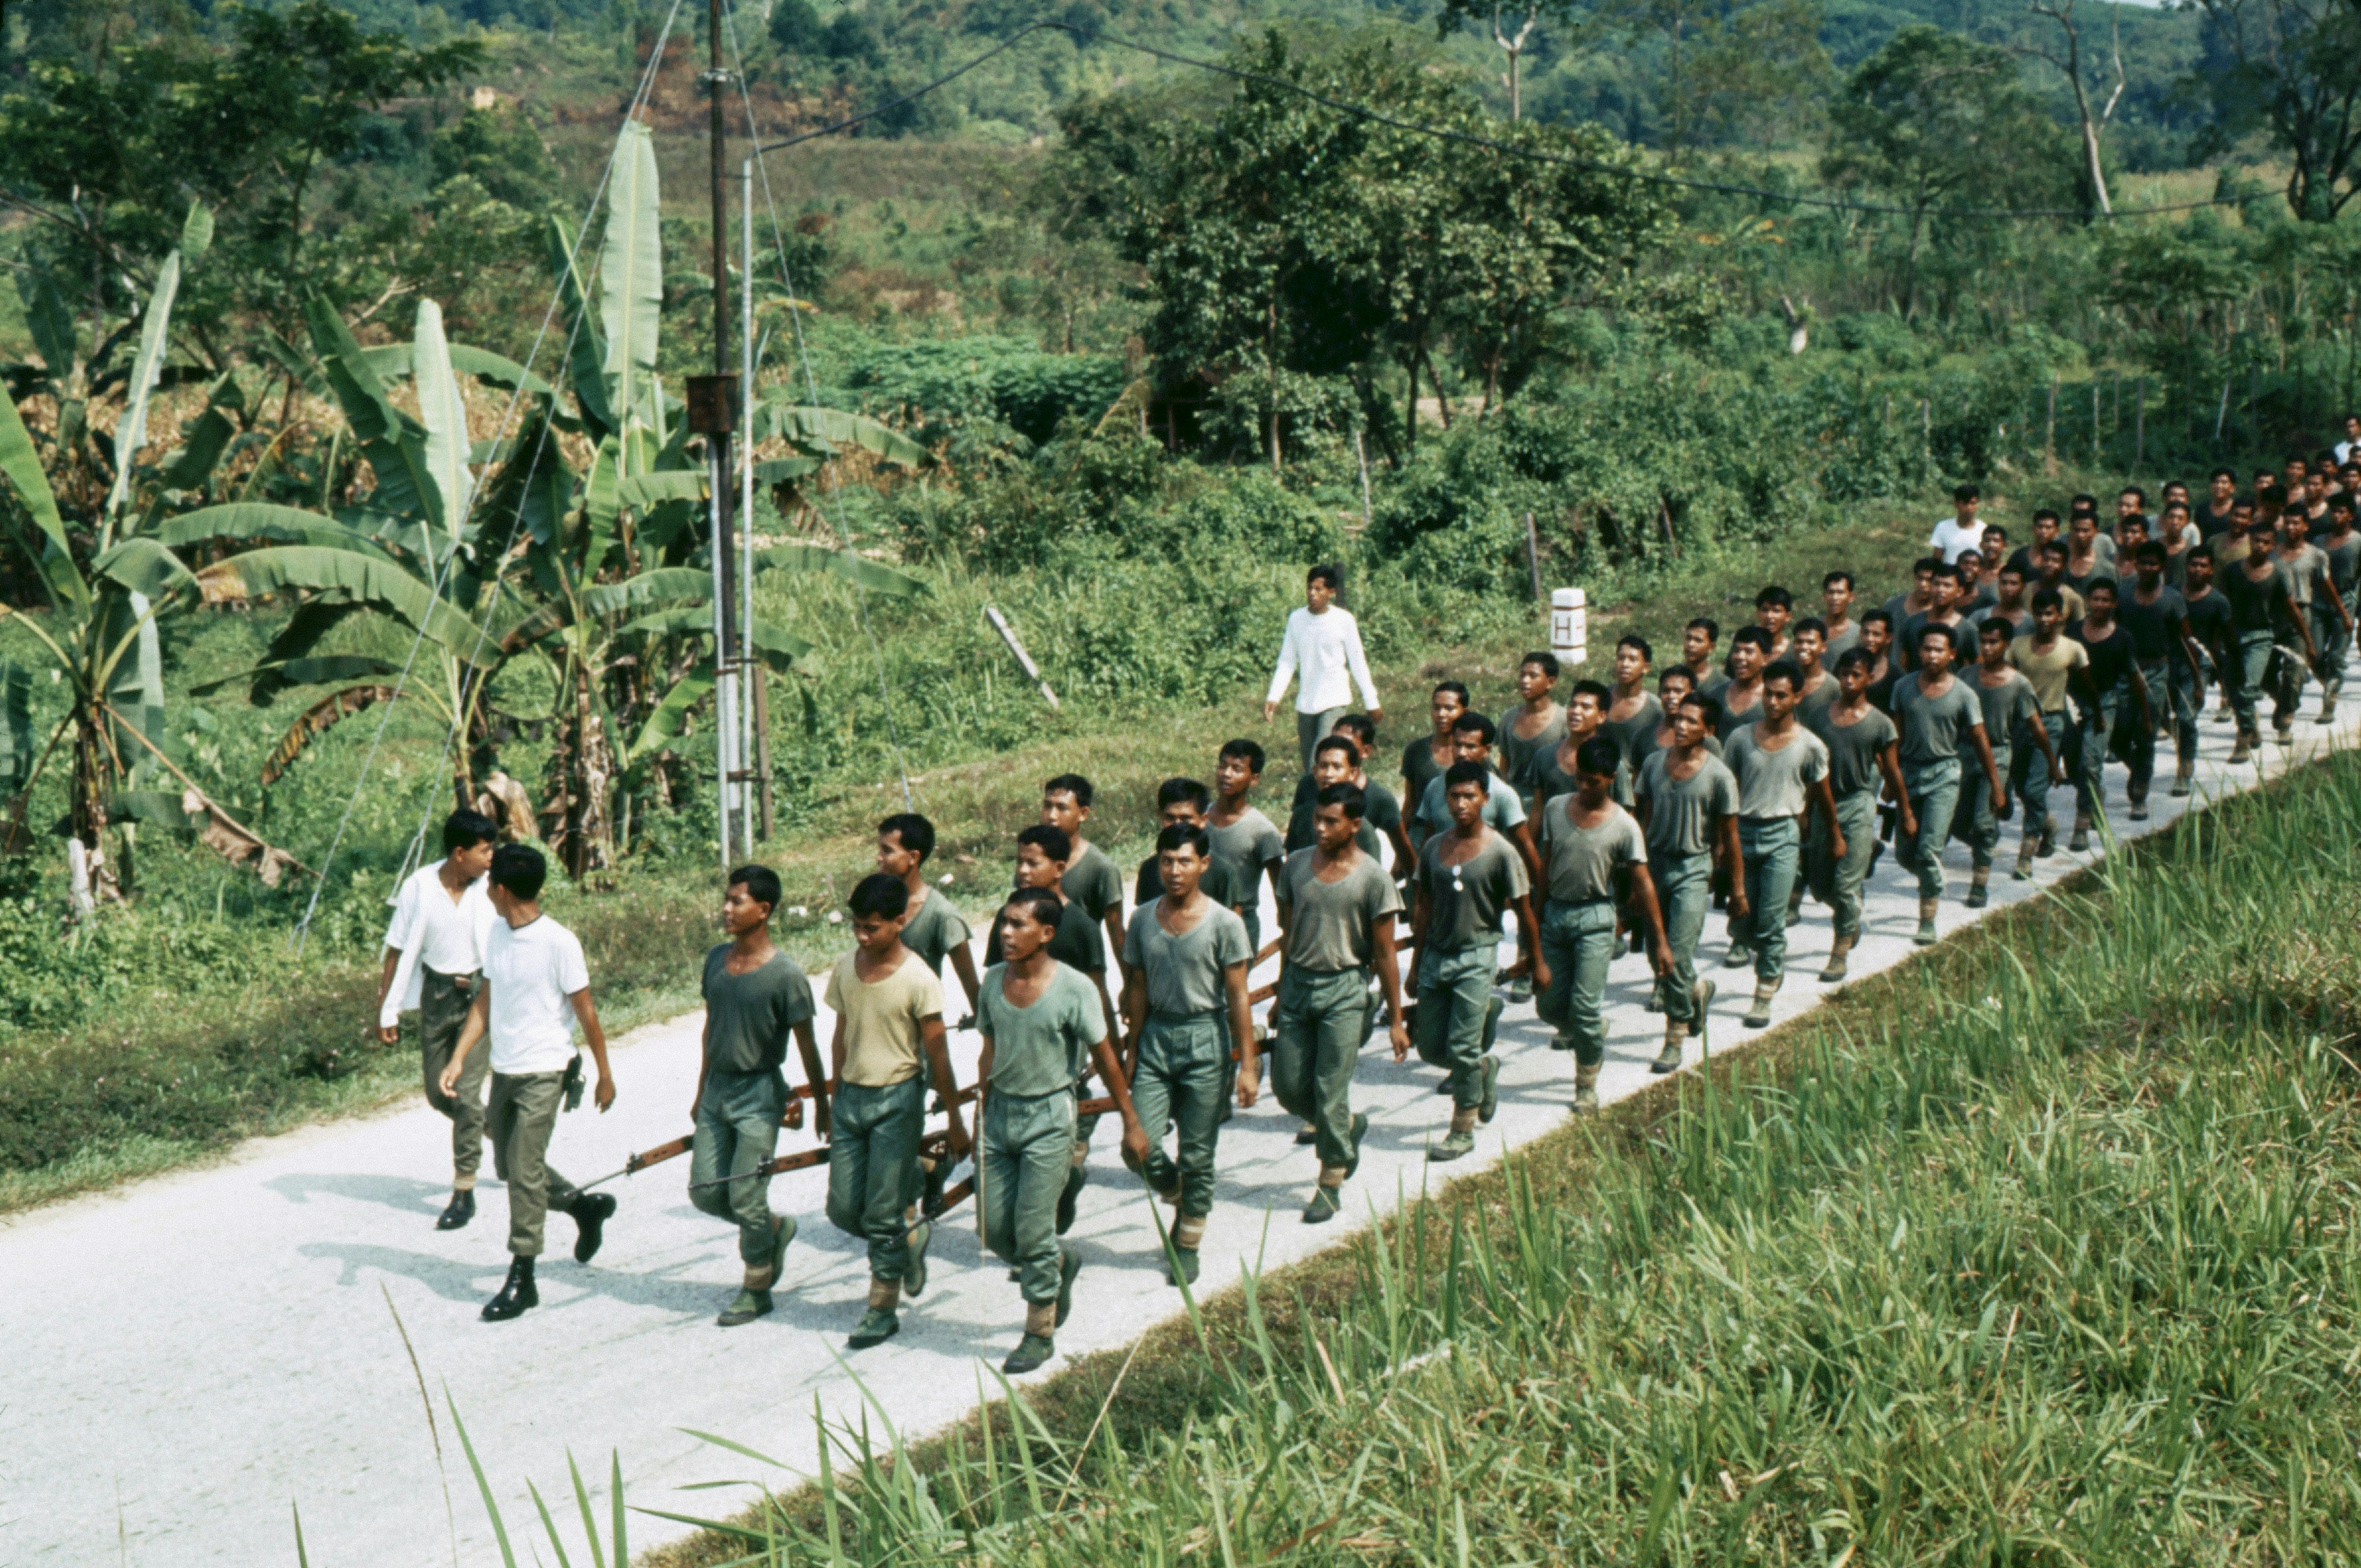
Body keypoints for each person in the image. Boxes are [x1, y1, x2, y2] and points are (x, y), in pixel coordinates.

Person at [438, 845, 618, 1323]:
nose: (485, 889)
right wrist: (459, 1056)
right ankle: (583, 1206)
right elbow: (486, 999)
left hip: (546, 1070)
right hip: (506, 1069)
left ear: (501, 888)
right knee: (510, 1164)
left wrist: (605, 1073)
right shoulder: (497, 932)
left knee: (522, 1171)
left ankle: (523, 1276)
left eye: (489, 880)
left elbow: (587, 1012)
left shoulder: (560, 942)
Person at [975, 886, 1146, 1374]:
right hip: (1000, 1115)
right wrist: (978, 1106)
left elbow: (1106, 1057)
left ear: (1047, 933)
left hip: (1050, 1118)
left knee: (1033, 1228)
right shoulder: (992, 982)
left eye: (1019, 925)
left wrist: (1130, 1120)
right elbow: (989, 1047)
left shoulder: (1074, 988)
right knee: (992, 1227)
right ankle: (1057, 1264)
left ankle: (1038, 1327)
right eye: (1004, 922)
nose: (1006, 933)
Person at [825, 873, 969, 1350]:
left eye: (873, 928)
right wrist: (833, 1096)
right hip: (850, 1098)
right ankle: (911, 1228)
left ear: (900, 922)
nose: (863, 936)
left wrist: (953, 1117)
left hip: (897, 1098)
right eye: (857, 926)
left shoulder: (918, 978)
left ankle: (882, 1307)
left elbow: (939, 1054)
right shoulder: (846, 968)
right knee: (846, 1208)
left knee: (882, 1210)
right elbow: (840, 1033)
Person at [1119, 825, 1256, 1285]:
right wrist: (1133, 1048)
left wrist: (1248, 1066)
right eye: (1166, 861)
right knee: (1138, 1147)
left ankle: (1188, 1240)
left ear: (1203, 865)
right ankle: (1180, 1192)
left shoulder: (1224, 924)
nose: (1174, 871)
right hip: (1156, 1037)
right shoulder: (1141, 919)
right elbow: (1136, 986)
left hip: (1204, 1039)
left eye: (1184, 862)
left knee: (1198, 1154)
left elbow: (1239, 996)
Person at [690, 865, 826, 1328]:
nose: (726, 909)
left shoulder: (785, 976)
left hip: (758, 1093)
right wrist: (699, 1090)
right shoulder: (715, 960)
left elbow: (808, 1045)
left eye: (737, 901)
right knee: (707, 1191)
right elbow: (712, 1027)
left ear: (764, 910)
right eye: (726, 899)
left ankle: (756, 1286)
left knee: (746, 1195)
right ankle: (773, 1229)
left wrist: (823, 1105)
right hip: (716, 1091)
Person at [1271, 783, 1409, 1223]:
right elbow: (1287, 935)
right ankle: (1346, 1129)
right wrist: (1279, 989)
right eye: (1318, 819)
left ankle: (1330, 1180)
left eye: (1332, 821)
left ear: (1356, 824)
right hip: (1297, 987)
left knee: (1331, 1088)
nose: (1321, 828)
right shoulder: (1295, 866)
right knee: (1289, 1087)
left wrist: (1396, 1018)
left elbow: (1385, 953)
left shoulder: (1373, 878)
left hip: (1345, 990)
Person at [984, 824, 1116, 1231]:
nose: (1022, 870)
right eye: (1018, 861)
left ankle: (1041, 1243)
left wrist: (1109, 1049)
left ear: (1059, 868)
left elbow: (1098, 991)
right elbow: (994, 989)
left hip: (1063, 1066)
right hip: (1017, 1062)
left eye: (1032, 862)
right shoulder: (1008, 921)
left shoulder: (1080, 926)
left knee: (1045, 1169)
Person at [1410, 760, 1542, 1161]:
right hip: (1436, 954)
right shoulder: (1434, 848)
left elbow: (1524, 909)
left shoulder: (1502, 852)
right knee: (1430, 1048)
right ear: (1444, 799)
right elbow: (1423, 906)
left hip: (1476, 956)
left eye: (1470, 796)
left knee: (1463, 1048)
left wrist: (1537, 959)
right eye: (1455, 796)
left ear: (1485, 799)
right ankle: (1483, 1072)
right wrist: (1416, 965)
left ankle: (1462, 1129)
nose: (1462, 803)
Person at [377, 809, 499, 1230]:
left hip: (480, 999)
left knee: (464, 1091)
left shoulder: (491, 887)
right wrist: (386, 1008)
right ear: (459, 852)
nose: (491, 857)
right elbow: (395, 950)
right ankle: (492, 1129)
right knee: (436, 1092)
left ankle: (463, 1191)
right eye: (485, 850)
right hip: (437, 996)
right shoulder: (419, 887)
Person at [1535, 738, 1667, 1114]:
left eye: (1593, 781)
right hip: (1555, 917)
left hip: (1595, 919)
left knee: (1584, 1008)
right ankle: (1587, 1029)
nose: (1584, 788)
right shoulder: (1556, 809)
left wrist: (1659, 941)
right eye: (1579, 780)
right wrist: (1534, 925)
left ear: (1611, 779)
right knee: (1547, 1005)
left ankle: (1586, 1084)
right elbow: (1545, 868)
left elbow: (1643, 883)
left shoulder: (1624, 826)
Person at [1721, 661, 1840, 1028]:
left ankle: (1764, 990)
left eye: (1781, 695)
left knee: (1771, 923)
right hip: (1744, 834)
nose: (1772, 702)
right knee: (1744, 922)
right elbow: (1727, 796)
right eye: (1767, 694)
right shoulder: (1740, 739)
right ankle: (1763, 958)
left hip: (1782, 837)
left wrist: (1834, 834)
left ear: (1797, 696)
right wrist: (1721, 846)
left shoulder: (1810, 746)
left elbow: (1822, 794)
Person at [1634, 694, 1740, 1067]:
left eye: (1692, 721)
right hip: (1655, 867)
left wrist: (1736, 888)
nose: (1681, 726)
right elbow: (1643, 821)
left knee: (1675, 959)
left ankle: (1675, 1035)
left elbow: (1730, 836)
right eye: (1679, 719)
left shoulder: (1719, 776)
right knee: (1655, 956)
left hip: (1693, 869)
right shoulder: (1652, 764)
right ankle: (1697, 990)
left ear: (1709, 730)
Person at [1890, 626, 2004, 944]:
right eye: (1926, 649)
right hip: (1910, 775)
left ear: (1952, 654)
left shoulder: (1964, 695)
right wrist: (1891, 780)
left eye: (1939, 650)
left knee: (1928, 849)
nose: (1931, 656)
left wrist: (1996, 784)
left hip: (1944, 775)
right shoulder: (1903, 687)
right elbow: (1894, 739)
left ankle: (1927, 920)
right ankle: (1932, 878)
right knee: (1904, 853)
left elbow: (1980, 740)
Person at [1804, 650, 1912, 983]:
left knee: (1846, 884)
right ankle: (1852, 913)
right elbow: (1808, 769)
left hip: (1858, 803)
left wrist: (1905, 811)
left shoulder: (1879, 723)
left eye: (1857, 675)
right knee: (1820, 886)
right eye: (1845, 674)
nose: (1850, 681)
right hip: (1825, 805)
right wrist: (1805, 812)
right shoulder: (1820, 717)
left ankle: (1839, 951)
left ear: (1869, 678)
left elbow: (1892, 769)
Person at [1961, 622, 2055, 898]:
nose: (1987, 648)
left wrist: (2051, 762)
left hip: (1998, 753)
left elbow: (2036, 726)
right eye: (1983, 642)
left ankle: (1979, 883)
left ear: (2006, 645)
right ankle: (1988, 841)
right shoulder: (1966, 676)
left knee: (1983, 822)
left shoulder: (2018, 683)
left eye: (1994, 642)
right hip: (1965, 753)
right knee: (1958, 822)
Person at [1264, 563, 1381, 768]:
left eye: (1319, 589)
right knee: (1309, 766)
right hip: (1306, 703)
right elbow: (1287, 661)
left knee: (1319, 763)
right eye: (1310, 588)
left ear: (1331, 592)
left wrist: (1371, 701)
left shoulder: (1343, 620)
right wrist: (1274, 696)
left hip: (1334, 700)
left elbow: (1358, 662)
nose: (1312, 594)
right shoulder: (1297, 619)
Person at [2064, 580, 2152, 846]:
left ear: (2114, 604)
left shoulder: (2122, 637)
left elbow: (2134, 677)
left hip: (2105, 704)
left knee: (2091, 761)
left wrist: (2146, 715)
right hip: (2074, 701)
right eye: (2095, 599)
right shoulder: (2073, 632)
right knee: (2074, 766)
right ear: (2087, 601)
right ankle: (2095, 797)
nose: (2100, 605)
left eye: (2106, 600)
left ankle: (2082, 824)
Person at [2008, 590, 2095, 855]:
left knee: (2036, 787)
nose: (2044, 619)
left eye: (2049, 614)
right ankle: (2047, 824)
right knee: (2021, 785)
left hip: (2052, 721)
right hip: (2020, 722)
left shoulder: (2072, 648)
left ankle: (2027, 848)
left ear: (2059, 616)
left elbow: (2086, 683)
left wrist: (2095, 713)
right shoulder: (2018, 646)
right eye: (2039, 613)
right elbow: (2006, 682)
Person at [2119, 544, 2205, 806]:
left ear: (2162, 567)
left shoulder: (2172, 599)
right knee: (2120, 728)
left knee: (2149, 728)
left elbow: (2187, 638)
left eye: (2153, 564)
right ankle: (2137, 763)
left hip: (2158, 669)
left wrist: (2197, 680)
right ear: (2135, 565)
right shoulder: (2123, 595)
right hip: (2127, 670)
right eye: (2142, 563)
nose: (2147, 568)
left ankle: (2143, 786)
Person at [1412, 712, 1543, 883]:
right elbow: (1428, 840)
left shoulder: (1501, 793)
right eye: (1457, 745)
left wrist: (1538, 897)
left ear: (1486, 750)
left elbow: (1525, 846)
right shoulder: (1434, 788)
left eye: (1470, 747)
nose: (1461, 753)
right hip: (1444, 883)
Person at [876, 813, 980, 1021]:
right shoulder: (876, 901)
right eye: (879, 849)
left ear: (913, 857)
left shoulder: (942, 915)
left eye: (887, 851)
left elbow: (972, 986)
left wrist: (981, 1018)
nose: (879, 858)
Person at [2219, 537, 2314, 763]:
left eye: (2265, 542)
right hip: (2234, 635)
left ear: (2272, 546)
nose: (2260, 546)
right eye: (2256, 541)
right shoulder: (2233, 571)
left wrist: (2308, 641)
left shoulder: (2277, 573)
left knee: (2250, 687)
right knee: (2235, 689)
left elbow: (2291, 607)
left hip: (2262, 636)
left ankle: (2243, 739)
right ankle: (2252, 723)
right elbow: (2222, 604)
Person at [2273, 509, 2352, 730]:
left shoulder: (2316, 555)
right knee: (2271, 673)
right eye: (2287, 523)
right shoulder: (2271, 553)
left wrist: (2344, 613)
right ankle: (2319, 687)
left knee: (2300, 665)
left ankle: (2288, 714)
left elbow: (2327, 587)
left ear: (2306, 526)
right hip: (2274, 615)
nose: (2290, 528)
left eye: (2296, 523)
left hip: (2302, 613)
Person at [1040, 775, 1125, 977]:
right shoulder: (1033, 862)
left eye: (1062, 808)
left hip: (1081, 973)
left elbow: (1117, 933)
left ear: (1083, 813)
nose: (1052, 816)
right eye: (1047, 806)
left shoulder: (1100, 868)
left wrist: (1130, 986)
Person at [1209, 740, 1288, 953]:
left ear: (1254, 779)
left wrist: (1287, 930)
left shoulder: (1262, 831)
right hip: (1199, 917)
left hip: (1240, 923)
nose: (1226, 774)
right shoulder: (1199, 818)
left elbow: (1279, 886)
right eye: (1222, 766)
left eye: (1237, 769)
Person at [1138, 777, 1246, 911]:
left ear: (1203, 820)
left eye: (1186, 818)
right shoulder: (1149, 869)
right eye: (1170, 818)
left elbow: (1232, 925)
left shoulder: (1222, 872)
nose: (1177, 825)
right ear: (1161, 817)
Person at [1496, 651, 1567, 808]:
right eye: (1522, 675)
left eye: (1533, 676)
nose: (1525, 681)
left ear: (1550, 682)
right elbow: (1504, 764)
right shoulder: (1509, 718)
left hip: (1551, 800)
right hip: (1514, 800)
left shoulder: (1564, 720)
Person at [2316, 495, 2360, 716]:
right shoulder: (2318, 541)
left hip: (2346, 598)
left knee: (2336, 654)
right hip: (2319, 602)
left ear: (2351, 515)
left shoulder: (2357, 542)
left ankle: (2330, 697)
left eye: (2342, 511)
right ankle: (2327, 679)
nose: (2336, 516)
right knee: (2313, 651)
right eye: (2333, 511)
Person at [1402, 680, 1469, 822]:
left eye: (1449, 708)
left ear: (1464, 711)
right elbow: (1410, 803)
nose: (1441, 714)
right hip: (1421, 831)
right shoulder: (1416, 751)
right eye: (1436, 708)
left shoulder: (1472, 751)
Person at [1601, 636, 1663, 767]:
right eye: (1621, 658)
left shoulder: (1656, 709)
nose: (1625, 664)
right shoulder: (1601, 698)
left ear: (1646, 668)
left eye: (1632, 659)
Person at [1704, 626, 1771, 738]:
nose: (1740, 657)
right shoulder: (1716, 695)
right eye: (1736, 651)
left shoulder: (1773, 698)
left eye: (1749, 652)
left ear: (1765, 659)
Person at [1896, 564, 1965, 674]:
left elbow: (1970, 671)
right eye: (1936, 584)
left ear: (1959, 592)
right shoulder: (1912, 623)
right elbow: (1904, 665)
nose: (1940, 590)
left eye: (1947, 586)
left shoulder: (1967, 630)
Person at [1929, 484, 1985, 563]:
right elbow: (1936, 561)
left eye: (1973, 503)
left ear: (1978, 504)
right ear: (1956, 504)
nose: (1969, 508)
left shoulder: (1983, 529)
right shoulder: (1943, 527)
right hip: (1950, 574)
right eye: (1965, 504)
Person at [2004, 510, 2062, 582]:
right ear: (2033, 528)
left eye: (2048, 527)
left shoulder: (2062, 557)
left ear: (2057, 531)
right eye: (2040, 527)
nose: (2043, 531)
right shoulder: (2020, 556)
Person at [1820, 571, 1862, 660]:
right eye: (1831, 592)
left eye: (1840, 593)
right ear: (1824, 596)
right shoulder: (1812, 627)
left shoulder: (1857, 634)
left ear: (1851, 597)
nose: (1835, 598)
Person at [1754, 586, 1796, 661]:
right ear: (1758, 613)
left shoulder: (1794, 652)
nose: (1770, 616)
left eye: (1776, 611)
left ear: (1788, 616)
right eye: (1765, 610)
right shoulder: (1744, 649)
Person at [1679, 617, 1721, 690]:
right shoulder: (1672, 677)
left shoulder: (1720, 683)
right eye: (1688, 638)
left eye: (1698, 640)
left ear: (1711, 647)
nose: (1691, 644)